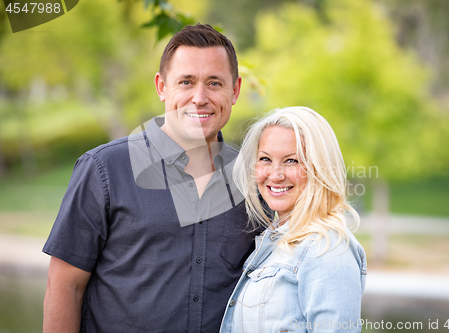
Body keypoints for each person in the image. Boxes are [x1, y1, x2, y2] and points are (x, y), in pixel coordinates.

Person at [42, 24, 260, 333]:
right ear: (161, 87)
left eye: (214, 83)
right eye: (186, 82)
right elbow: (65, 286)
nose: (200, 97)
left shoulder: (254, 178)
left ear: (235, 90)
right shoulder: (104, 169)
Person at [220, 107, 367, 333]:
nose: (276, 174)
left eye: (291, 161)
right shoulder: (274, 242)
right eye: (265, 159)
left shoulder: (327, 248)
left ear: (320, 168)